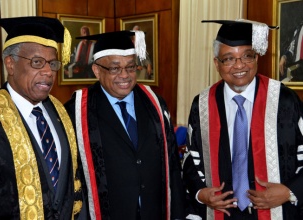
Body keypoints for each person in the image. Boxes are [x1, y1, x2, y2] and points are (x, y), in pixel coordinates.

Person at [182, 19, 303, 220]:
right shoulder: (202, 104)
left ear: (257, 58)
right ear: (216, 64)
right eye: (228, 58)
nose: (239, 65)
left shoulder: (285, 100)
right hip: (222, 212)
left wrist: (288, 191)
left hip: (278, 211)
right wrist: (201, 193)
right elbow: (189, 158)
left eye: (247, 56)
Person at [65, 30, 186, 220]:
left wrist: (179, 213)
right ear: (97, 70)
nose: (125, 75)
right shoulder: (77, 111)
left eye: (130, 67)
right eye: (115, 68)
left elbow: (171, 161)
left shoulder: (154, 102)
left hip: (154, 212)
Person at [0, 16, 87, 219]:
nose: (48, 72)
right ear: (10, 64)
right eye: (37, 62)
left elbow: (75, 186)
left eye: (53, 63)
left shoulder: (61, 112)